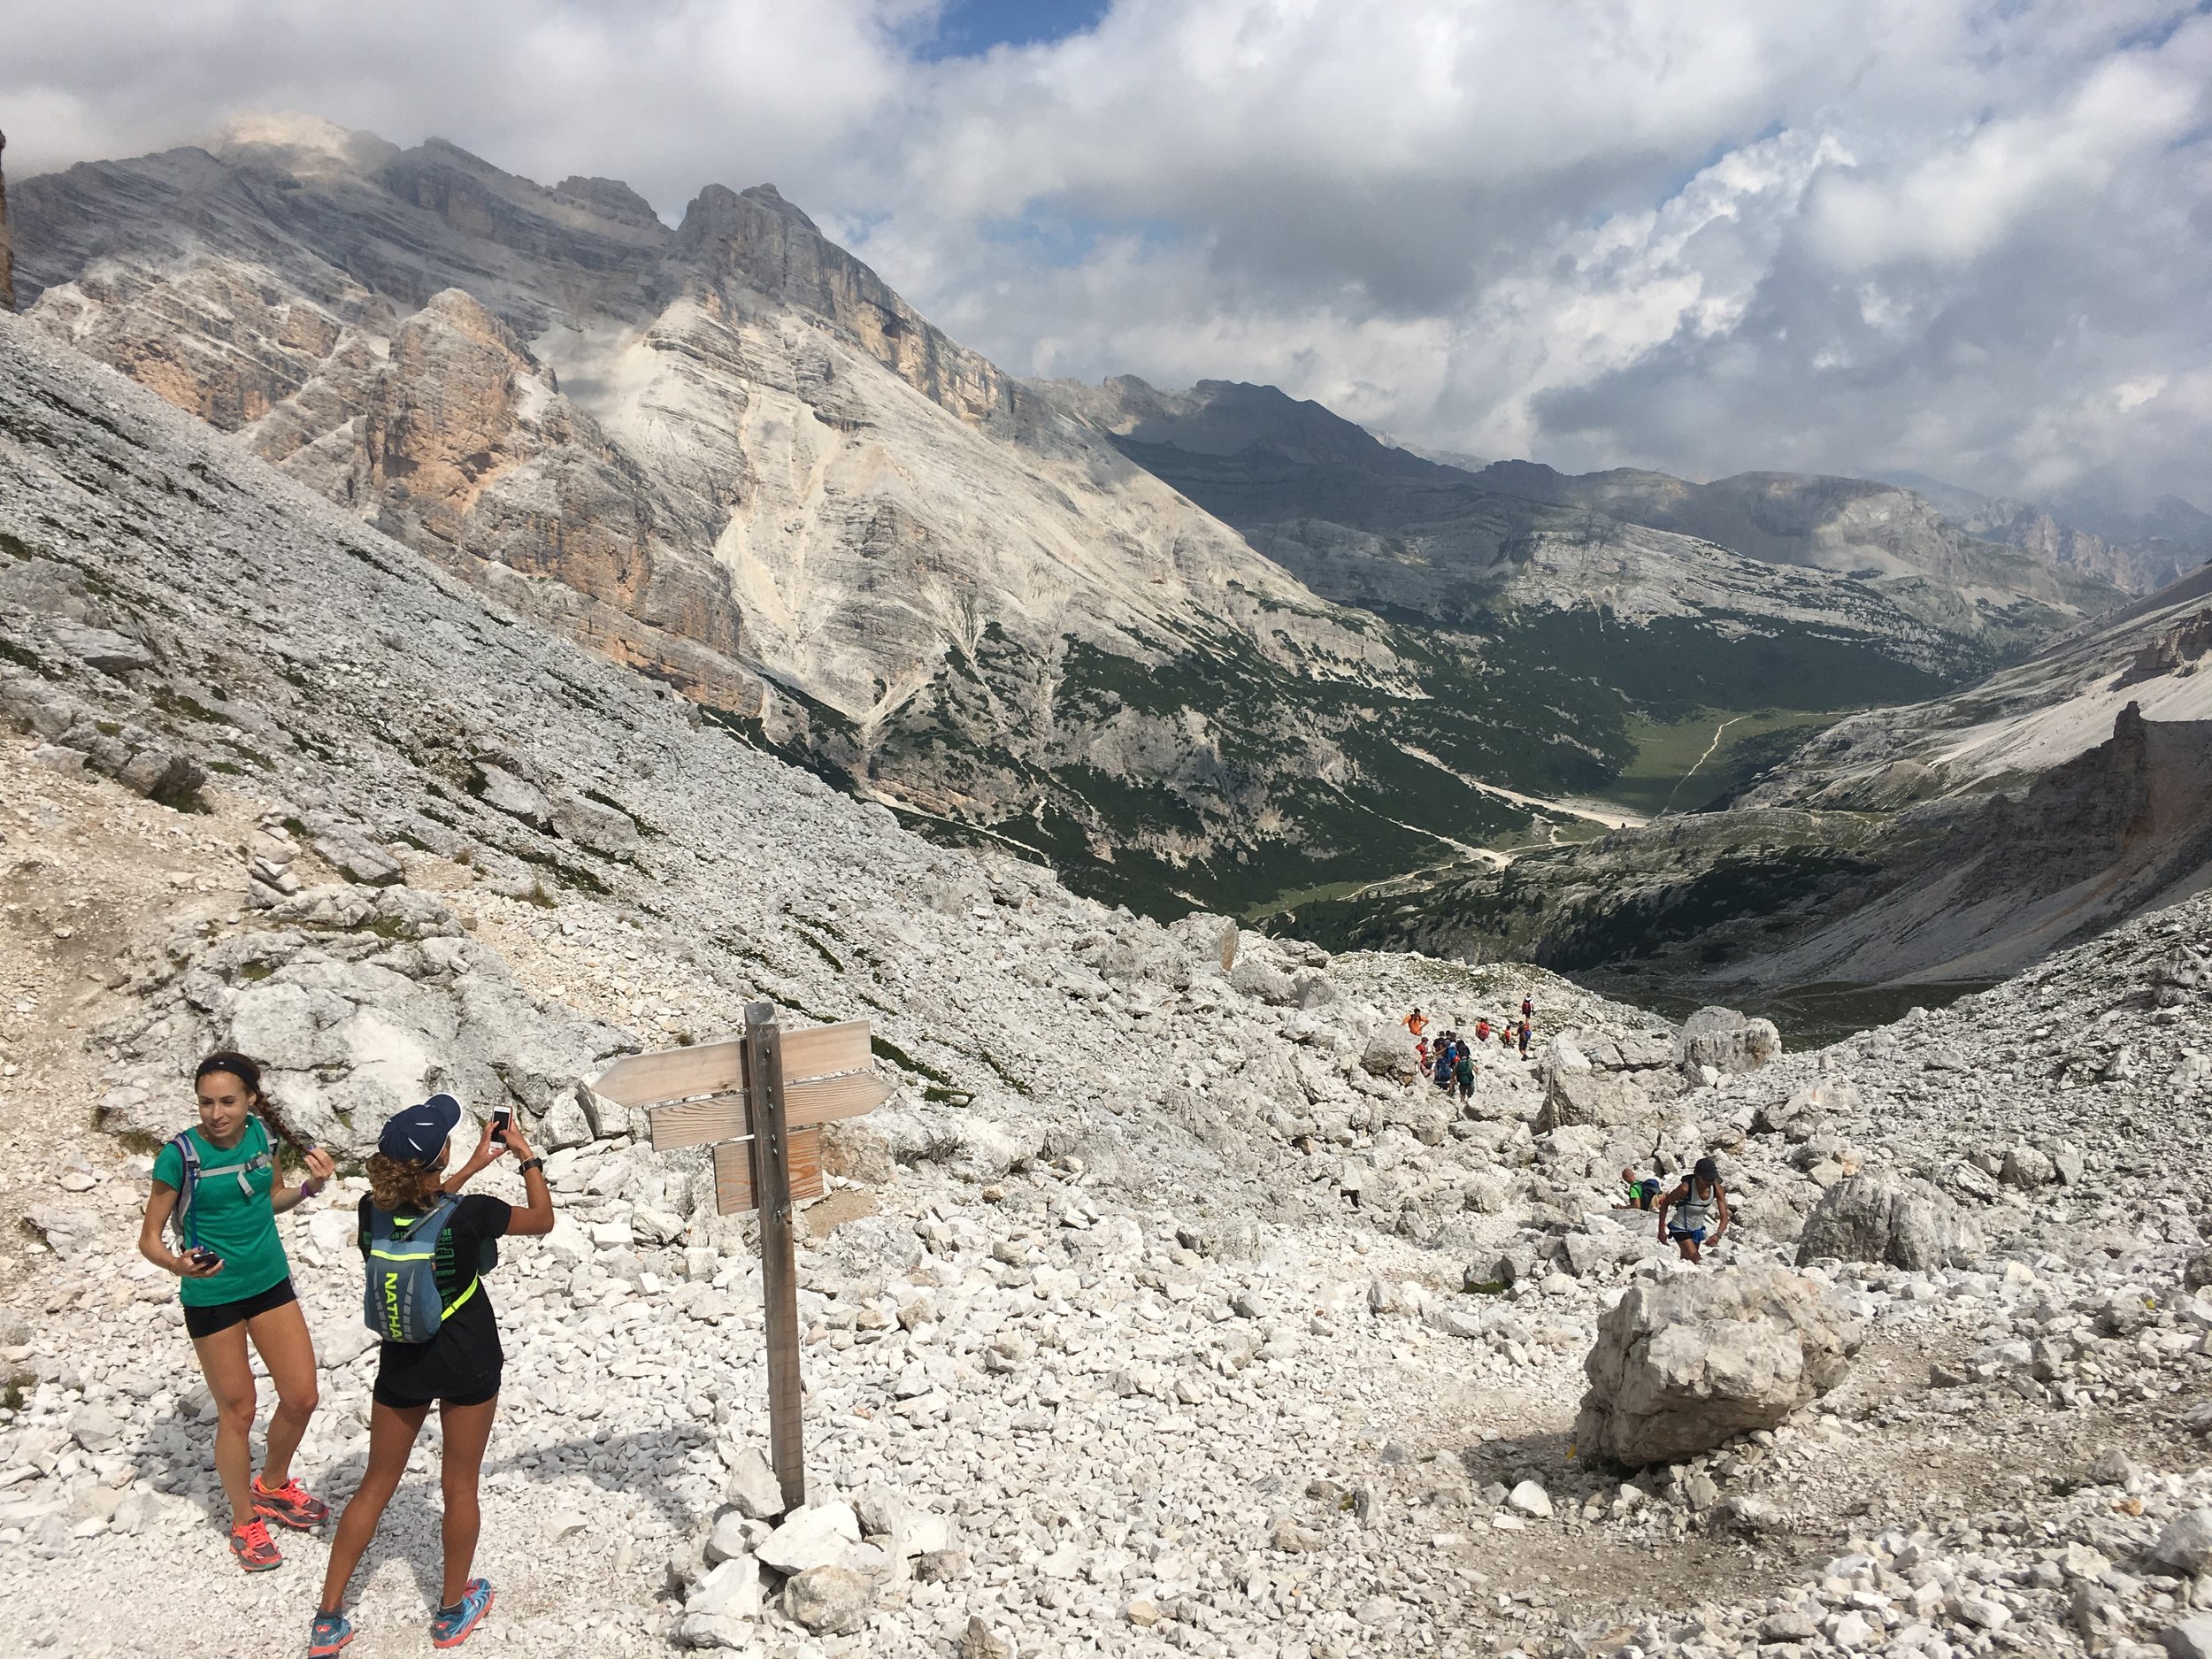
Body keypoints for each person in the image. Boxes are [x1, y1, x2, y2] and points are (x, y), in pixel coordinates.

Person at [311, 1094, 554, 1656]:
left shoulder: (370, 1209)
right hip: (468, 1355)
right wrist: (524, 1156)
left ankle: (328, 1617)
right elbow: (541, 1220)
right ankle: (450, 1611)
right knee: (459, 1485)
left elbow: (421, 1207)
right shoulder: (474, 1214)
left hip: (403, 1356)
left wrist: (467, 1165)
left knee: (375, 1483)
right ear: (438, 1157)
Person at [136, 1052, 338, 1571]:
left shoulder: (262, 1138)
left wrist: (312, 1187)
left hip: (269, 1281)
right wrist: (178, 1266)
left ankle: (272, 1485)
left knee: (301, 1396)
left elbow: (268, 1199)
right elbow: (149, 1241)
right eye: (206, 1102)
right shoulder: (177, 1156)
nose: (215, 1113)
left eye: (227, 1101)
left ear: (251, 1100)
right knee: (239, 1409)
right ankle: (244, 1519)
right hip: (212, 1296)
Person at [1655, 1156, 1730, 1263]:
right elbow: (1665, 1204)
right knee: (1697, 1260)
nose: (1709, 1182)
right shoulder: (1685, 1188)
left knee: (1686, 1262)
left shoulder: (1717, 1189)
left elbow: (1724, 1217)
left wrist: (1718, 1234)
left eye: (1712, 1179)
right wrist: (1661, 1229)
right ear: (1697, 1176)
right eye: (1706, 1179)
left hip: (1697, 1231)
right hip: (1680, 1228)